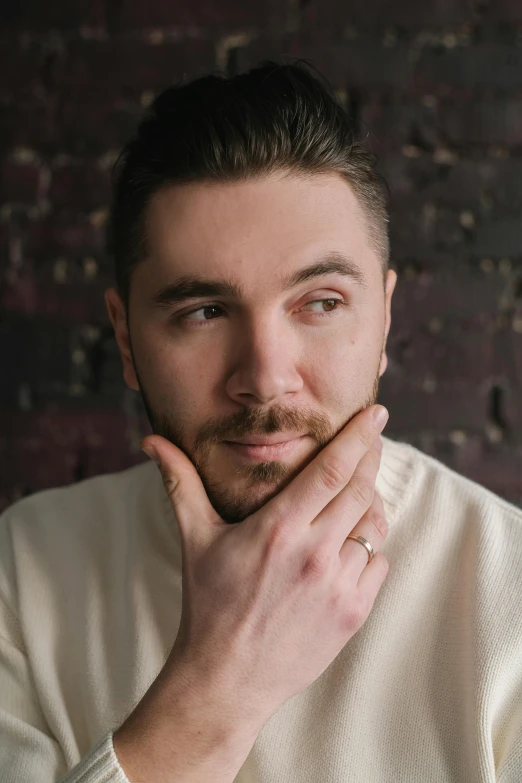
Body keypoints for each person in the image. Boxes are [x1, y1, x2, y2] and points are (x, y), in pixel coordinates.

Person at [1, 59, 521, 783]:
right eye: (204, 311)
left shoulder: (510, 587)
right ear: (125, 340)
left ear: (385, 320)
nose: (266, 378)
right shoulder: (21, 574)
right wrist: (218, 685)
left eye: (322, 302)